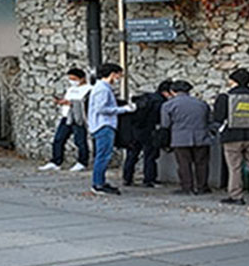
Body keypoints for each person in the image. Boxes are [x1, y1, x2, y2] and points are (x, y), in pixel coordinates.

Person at [214, 68, 249, 205]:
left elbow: (218, 117)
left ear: (233, 81)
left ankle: (236, 196)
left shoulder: (225, 97)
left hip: (232, 136)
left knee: (235, 168)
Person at [87, 63, 136, 195]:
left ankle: (100, 182)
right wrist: (124, 109)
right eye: (119, 75)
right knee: (103, 156)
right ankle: (98, 184)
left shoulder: (100, 87)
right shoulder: (103, 89)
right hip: (104, 125)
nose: (119, 78)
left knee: (103, 155)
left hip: (101, 125)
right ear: (113, 74)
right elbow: (101, 109)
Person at [160, 80, 212, 195]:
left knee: (184, 164)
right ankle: (202, 187)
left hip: (180, 138)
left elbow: (165, 124)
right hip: (201, 136)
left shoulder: (168, 105)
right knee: (202, 163)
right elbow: (209, 120)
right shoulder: (201, 103)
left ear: (172, 91)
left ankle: (187, 187)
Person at [39, 68, 92, 172]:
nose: (72, 81)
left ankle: (82, 162)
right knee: (58, 139)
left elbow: (85, 103)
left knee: (80, 141)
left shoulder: (89, 89)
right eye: (70, 79)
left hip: (78, 117)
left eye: (74, 79)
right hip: (66, 116)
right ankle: (56, 161)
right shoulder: (71, 89)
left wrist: (71, 103)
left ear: (82, 78)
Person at [122, 80, 173, 188]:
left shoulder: (145, 98)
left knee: (132, 154)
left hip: (135, 130)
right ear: (166, 92)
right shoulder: (160, 102)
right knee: (150, 155)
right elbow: (159, 118)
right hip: (150, 130)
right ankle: (149, 179)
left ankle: (127, 178)